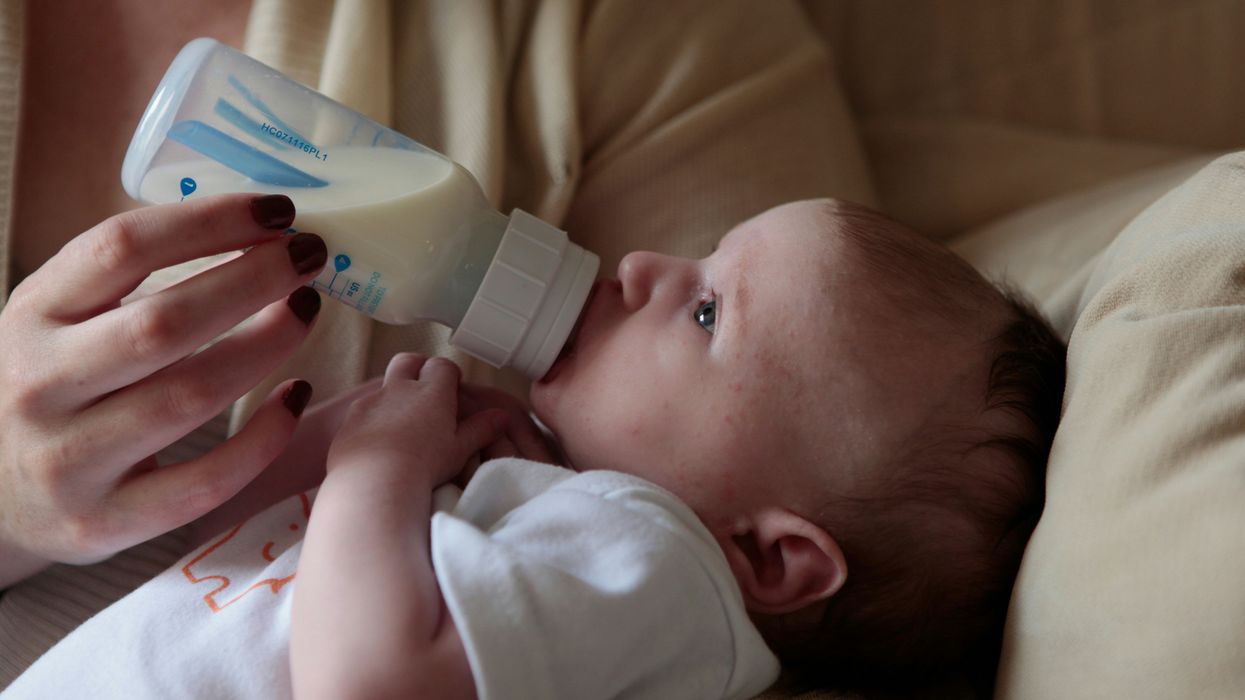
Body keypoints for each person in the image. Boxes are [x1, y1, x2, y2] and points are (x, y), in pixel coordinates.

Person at [1, 198, 1067, 698]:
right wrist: (342, 446)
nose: (642, 264)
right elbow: (238, 569)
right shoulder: (558, 529)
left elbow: (365, 683)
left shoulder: (660, 570)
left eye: (706, 311)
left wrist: (381, 466)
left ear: (767, 556)